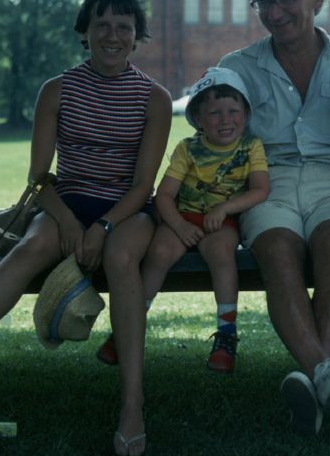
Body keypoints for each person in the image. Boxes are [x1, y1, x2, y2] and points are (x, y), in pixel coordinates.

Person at [0, 0, 172, 456]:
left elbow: (143, 185)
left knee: (121, 259)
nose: (112, 35)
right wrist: (71, 222)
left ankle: (132, 405)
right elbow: (40, 176)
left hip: (128, 208)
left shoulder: (153, 98)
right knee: (30, 249)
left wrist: (103, 227)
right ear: (85, 32)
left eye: (124, 27)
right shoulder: (57, 90)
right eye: (102, 26)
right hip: (66, 200)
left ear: (137, 36)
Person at [217, 0, 330, 436]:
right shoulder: (237, 67)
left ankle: (314, 380)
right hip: (270, 179)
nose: (273, 12)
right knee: (278, 250)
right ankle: (325, 372)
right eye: (262, 3)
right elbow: (208, 134)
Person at [95, 68, 269, 373]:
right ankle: (127, 328)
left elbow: (260, 189)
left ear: (246, 113)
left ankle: (226, 335)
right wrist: (178, 225)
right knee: (160, 251)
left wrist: (225, 209)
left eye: (233, 111)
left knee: (221, 252)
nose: (225, 120)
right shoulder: (187, 149)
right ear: (199, 119)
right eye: (214, 113)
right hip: (183, 215)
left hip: (222, 220)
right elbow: (163, 195)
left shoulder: (251, 147)